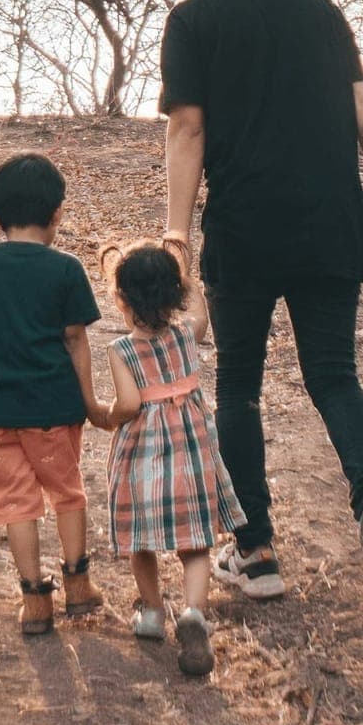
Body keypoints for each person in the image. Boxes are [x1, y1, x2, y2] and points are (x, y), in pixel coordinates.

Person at [159, 0, 363, 614]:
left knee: (238, 386)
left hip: (245, 229)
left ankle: (258, 552)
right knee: (335, 376)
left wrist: (177, 234)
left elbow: (187, 130)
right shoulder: (322, 12)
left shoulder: (191, 20)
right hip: (330, 223)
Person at [0, 154, 105, 635]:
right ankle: (78, 587)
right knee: (67, 493)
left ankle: (34, 602)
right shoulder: (66, 269)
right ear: (56, 215)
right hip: (54, 409)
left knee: (15, 505)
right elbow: (75, 338)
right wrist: (90, 401)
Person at [91, 242, 245, 678]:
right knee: (195, 542)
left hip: (143, 454)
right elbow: (201, 314)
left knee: (141, 538)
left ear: (121, 300)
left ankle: (154, 613)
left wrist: (104, 415)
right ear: (175, 295)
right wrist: (189, 276)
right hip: (190, 450)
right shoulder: (186, 334)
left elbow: (128, 404)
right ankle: (194, 613)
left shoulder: (121, 351)